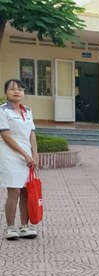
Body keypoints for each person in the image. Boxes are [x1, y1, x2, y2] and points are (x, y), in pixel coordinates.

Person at [0, 79, 38, 241]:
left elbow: (32, 134)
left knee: (26, 191)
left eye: (20, 89)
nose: (17, 91)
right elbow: (6, 136)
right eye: (12, 89)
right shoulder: (3, 111)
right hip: (10, 155)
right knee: (14, 191)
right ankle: (10, 227)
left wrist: (34, 154)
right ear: (6, 92)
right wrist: (25, 154)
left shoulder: (27, 111)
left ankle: (24, 226)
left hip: (27, 157)